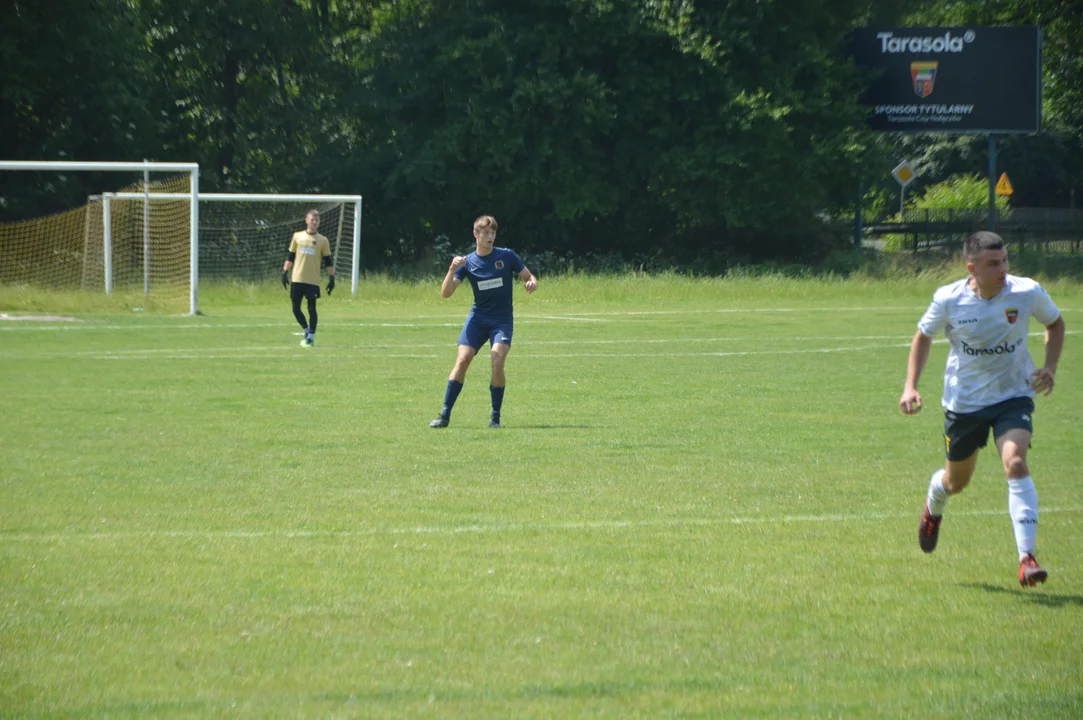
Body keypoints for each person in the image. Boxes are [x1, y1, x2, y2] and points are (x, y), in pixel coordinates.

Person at [899, 231, 1064, 587]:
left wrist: (1049, 366)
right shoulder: (949, 299)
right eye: (993, 264)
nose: (1002, 268)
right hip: (965, 402)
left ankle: (1026, 558)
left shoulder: (1026, 291)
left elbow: (1054, 322)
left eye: (1004, 260)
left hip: (1013, 395)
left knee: (1015, 461)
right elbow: (923, 336)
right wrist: (910, 385)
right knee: (956, 482)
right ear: (971, 267)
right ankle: (935, 501)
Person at [430, 215, 537, 429]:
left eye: (493, 232)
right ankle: (444, 415)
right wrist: (452, 269)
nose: (490, 236)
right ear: (475, 234)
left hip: (501, 321)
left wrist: (531, 283)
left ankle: (495, 417)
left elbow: (528, 276)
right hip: (478, 319)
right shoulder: (467, 262)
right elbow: (446, 293)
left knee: (497, 361)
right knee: (462, 360)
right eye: (486, 232)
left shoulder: (507, 256)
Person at [282, 209, 335, 348]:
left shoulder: (323, 240)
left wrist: (331, 278)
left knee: (312, 307)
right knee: (295, 309)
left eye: (317, 220)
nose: (315, 222)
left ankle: (311, 336)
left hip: (312, 280)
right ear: (307, 220)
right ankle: (306, 329)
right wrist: (284, 272)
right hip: (297, 278)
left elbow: (328, 261)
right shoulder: (297, 236)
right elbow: (290, 256)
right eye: (312, 219)